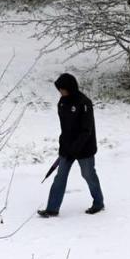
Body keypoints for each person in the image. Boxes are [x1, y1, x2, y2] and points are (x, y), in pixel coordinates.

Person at [38, 73, 104, 218]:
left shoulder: (84, 103)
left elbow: (86, 130)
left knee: (88, 175)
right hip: (68, 149)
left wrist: (74, 149)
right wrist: (64, 146)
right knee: (60, 177)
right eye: (59, 89)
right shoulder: (62, 102)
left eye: (63, 89)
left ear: (70, 88)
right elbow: (65, 128)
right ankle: (52, 209)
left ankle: (98, 203)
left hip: (84, 148)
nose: (60, 92)